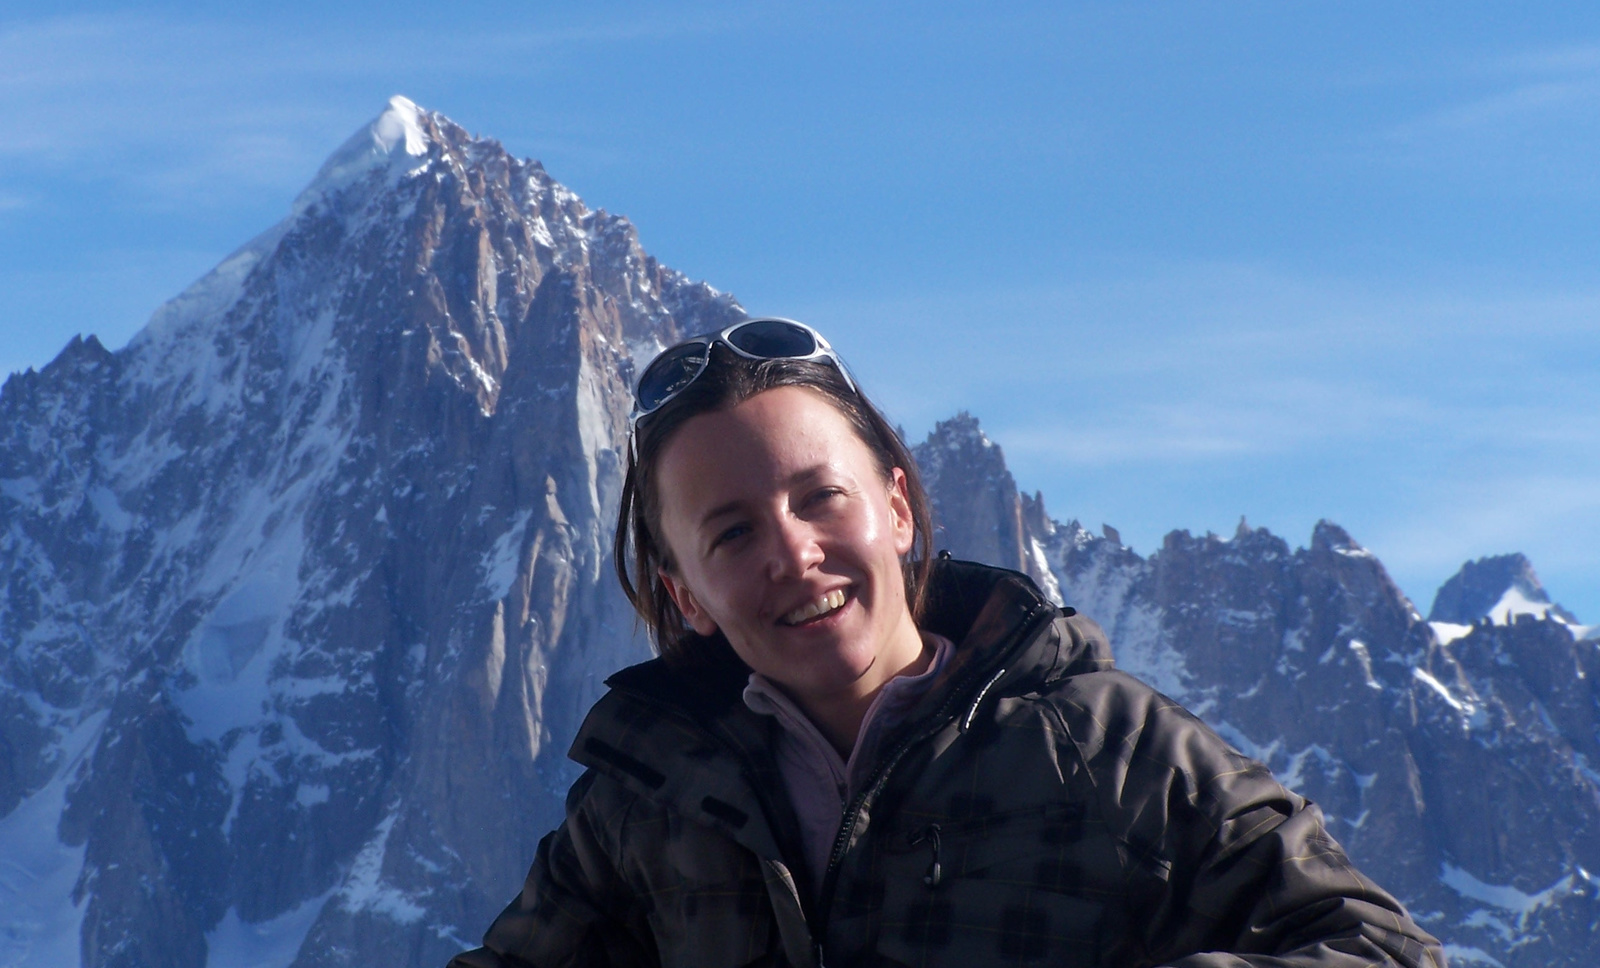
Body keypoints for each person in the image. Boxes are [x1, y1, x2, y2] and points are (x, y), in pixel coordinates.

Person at [450, 318, 1445, 968]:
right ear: (688, 596)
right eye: (733, 533)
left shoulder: (1102, 743)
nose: (793, 555)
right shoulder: (646, 798)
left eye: (818, 499)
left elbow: (1379, 951)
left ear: (895, 507)